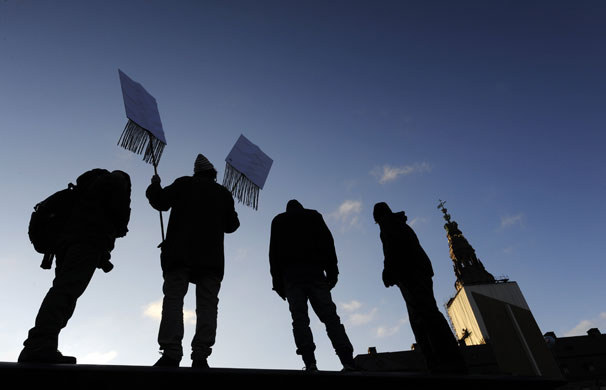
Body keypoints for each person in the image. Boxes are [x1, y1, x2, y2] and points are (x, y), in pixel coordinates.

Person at [18, 169, 131, 364]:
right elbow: (120, 220)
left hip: (66, 245)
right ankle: (39, 344)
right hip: (86, 244)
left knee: (64, 292)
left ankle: (44, 343)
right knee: (65, 292)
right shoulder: (117, 181)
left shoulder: (83, 194)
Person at [146, 154, 239, 369]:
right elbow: (231, 225)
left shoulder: (184, 184)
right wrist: (229, 206)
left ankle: (171, 353)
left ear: (196, 172)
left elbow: (160, 201)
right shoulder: (223, 193)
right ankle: (200, 356)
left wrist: (154, 186)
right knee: (207, 306)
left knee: (173, 300)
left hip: (179, 254)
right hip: (211, 260)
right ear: (213, 175)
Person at [373, 202, 467, 375]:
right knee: (428, 314)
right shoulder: (400, 224)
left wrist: (388, 271)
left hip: (410, 275)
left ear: (378, 217)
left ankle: (438, 361)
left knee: (422, 317)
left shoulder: (387, 225)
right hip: (419, 272)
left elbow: (392, 250)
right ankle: (448, 359)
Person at [269, 199, 356, 371]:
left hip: (291, 276)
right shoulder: (313, 216)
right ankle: (347, 360)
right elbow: (327, 243)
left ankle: (310, 363)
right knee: (330, 317)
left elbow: (273, 254)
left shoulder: (278, 221)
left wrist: (278, 284)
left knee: (300, 319)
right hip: (315, 272)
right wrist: (333, 271)